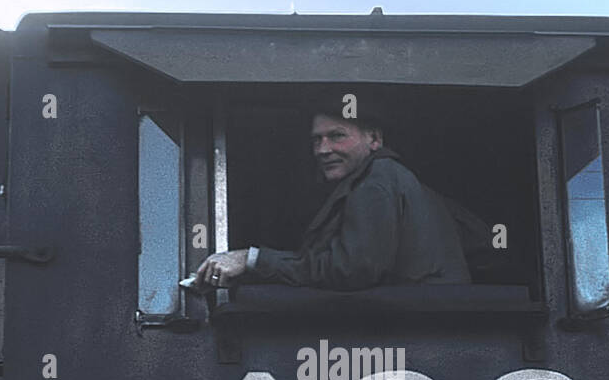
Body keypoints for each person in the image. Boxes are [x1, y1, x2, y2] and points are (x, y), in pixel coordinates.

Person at [194, 99, 472, 290]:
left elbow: (351, 269)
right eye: (317, 140)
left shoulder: (377, 179)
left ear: (374, 139)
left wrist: (251, 260)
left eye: (337, 136)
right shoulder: (394, 181)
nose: (323, 150)